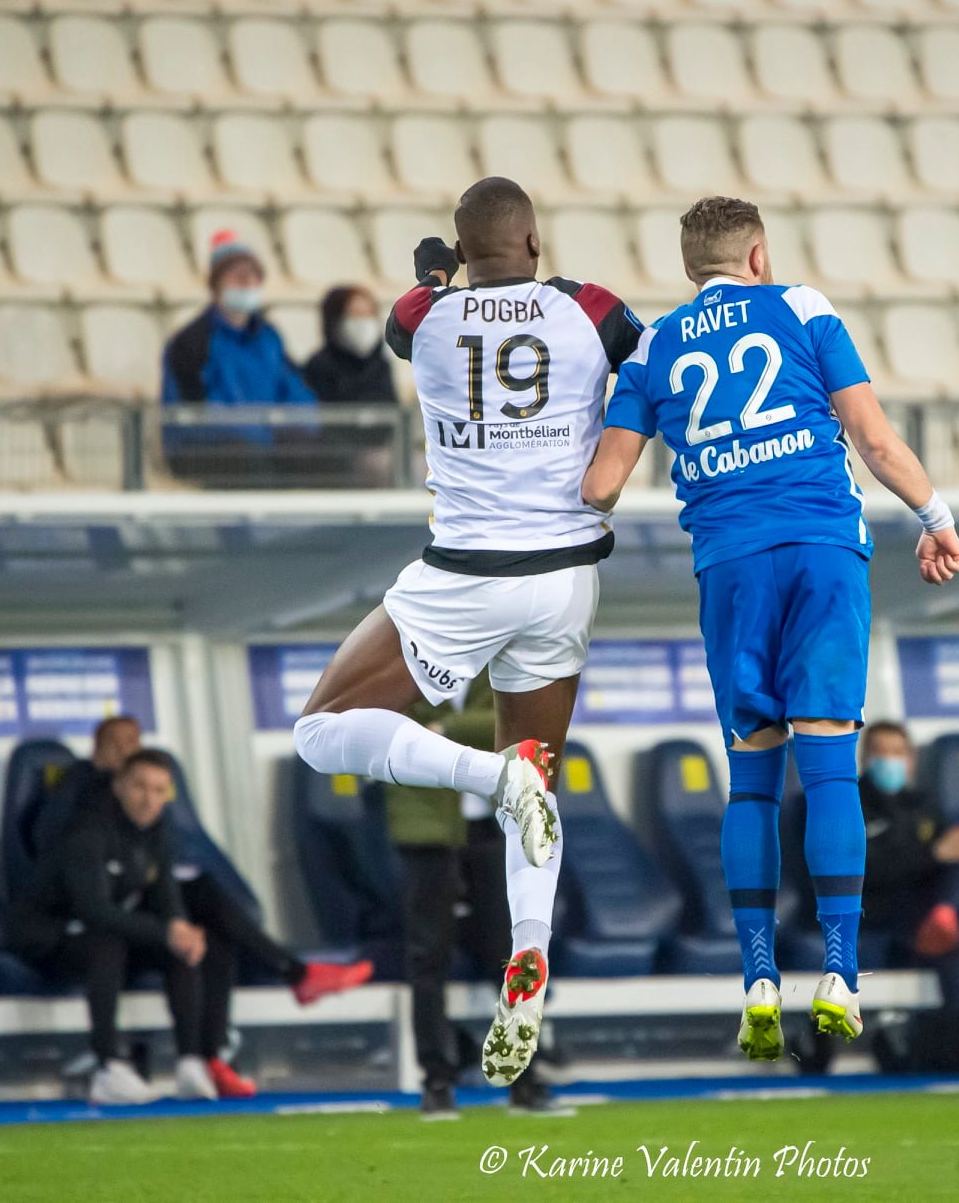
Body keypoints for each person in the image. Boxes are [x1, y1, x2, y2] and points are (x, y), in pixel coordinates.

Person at [581, 195, 959, 1063]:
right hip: (821, 549)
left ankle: (758, 979)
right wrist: (935, 517)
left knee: (751, 779)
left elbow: (601, 486)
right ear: (758, 255)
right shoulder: (801, 307)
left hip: (730, 566)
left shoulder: (653, 346)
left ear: (690, 267)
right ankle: (840, 975)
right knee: (829, 764)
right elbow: (873, 438)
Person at [291, 176, 645, 1092]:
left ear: (460, 250)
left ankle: (490, 779)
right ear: (534, 243)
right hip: (566, 579)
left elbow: (404, 318)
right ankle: (531, 953)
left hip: (466, 576)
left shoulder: (425, 320)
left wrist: (440, 278)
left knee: (320, 729)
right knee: (539, 777)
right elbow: (644, 362)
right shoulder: (589, 308)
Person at [33, 716, 372, 1028]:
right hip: (95, 913)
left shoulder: (147, 804)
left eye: (132, 742)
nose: (126, 751)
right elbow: (48, 840)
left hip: (140, 896)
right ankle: (294, 973)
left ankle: (212, 1051)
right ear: (97, 747)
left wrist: (178, 925)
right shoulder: (82, 790)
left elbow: (161, 865)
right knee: (196, 906)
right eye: (116, 743)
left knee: (209, 922)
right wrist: (98, 776)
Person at [9, 750, 230, 1106]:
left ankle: (191, 1062)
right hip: (45, 939)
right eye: (140, 787)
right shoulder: (87, 832)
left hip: (97, 936)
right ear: (119, 786)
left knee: (180, 947)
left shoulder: (157, 832)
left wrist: (179, 929)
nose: (149, 799)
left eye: (159, 790)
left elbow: (166, 896)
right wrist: (165, 931)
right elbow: (93, 910)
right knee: (108, 941)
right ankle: (108, 1067)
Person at [389, 677, 554, 1117]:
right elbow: (391, 732)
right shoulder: (405, 663)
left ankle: (524, 1076)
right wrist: (469, 734)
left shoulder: (500, 664)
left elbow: (522, 727)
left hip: (496, 826)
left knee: (515, 952)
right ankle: (436, 1080)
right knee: (427, 957)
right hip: (426, 828)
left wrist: (444, 732)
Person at [160, 230, 318, 486]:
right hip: (203, 448)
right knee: (252, 461)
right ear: (217, 284)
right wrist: (259, 431)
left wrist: (296, 427)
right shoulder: (192, 342)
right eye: (239, 277)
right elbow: (193, 413)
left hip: (263, 444)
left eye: (255, 277)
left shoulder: (269, 337)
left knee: (321, 456)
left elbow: (295, 391)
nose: (248, 283)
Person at [858, 721, 959, 1010]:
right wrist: (933, 853)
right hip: (879, 905)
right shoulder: (851, 805)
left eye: (897, 752)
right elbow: (866, 871)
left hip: (926, 901)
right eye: (880, 752)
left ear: (910, 761)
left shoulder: (923, 804)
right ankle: (955, 1022)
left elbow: (953, 850)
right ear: (864, 758)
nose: (889, 760)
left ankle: (943, 914)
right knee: (958, 928)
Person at [301, 284, 401, 487]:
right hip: (336, 459)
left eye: (369, 315)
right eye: (355, 315)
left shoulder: (381, 366)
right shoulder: (319, 366)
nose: (363, 323)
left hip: (382, 451)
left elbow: (393, 416)